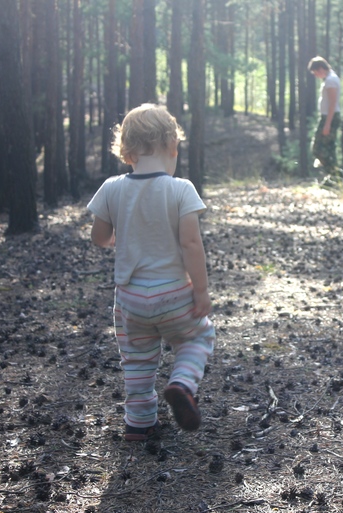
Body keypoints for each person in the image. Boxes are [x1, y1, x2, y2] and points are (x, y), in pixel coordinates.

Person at [87, 103, 215, 441]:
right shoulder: (180, 189)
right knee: (197, 337)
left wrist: (118, 235)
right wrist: (201, 291)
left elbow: (99, 238)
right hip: (174, 293)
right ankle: (182, 385)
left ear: (127, 152)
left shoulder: (112, 187)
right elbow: (191, 244)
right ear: (172, 146)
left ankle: (139, 425)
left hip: (130, 299)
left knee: (138, 360)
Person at [308, 56, 342, 183]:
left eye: (315, 72)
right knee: (329, 148)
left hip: (329, 117)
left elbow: (333, 103)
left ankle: (335, 174)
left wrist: (327, 124)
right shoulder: (329, 79)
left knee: (318, 148)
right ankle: (334, 178)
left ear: (321, 68)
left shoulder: (331, 81)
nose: (316, 75)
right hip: (328, 117)